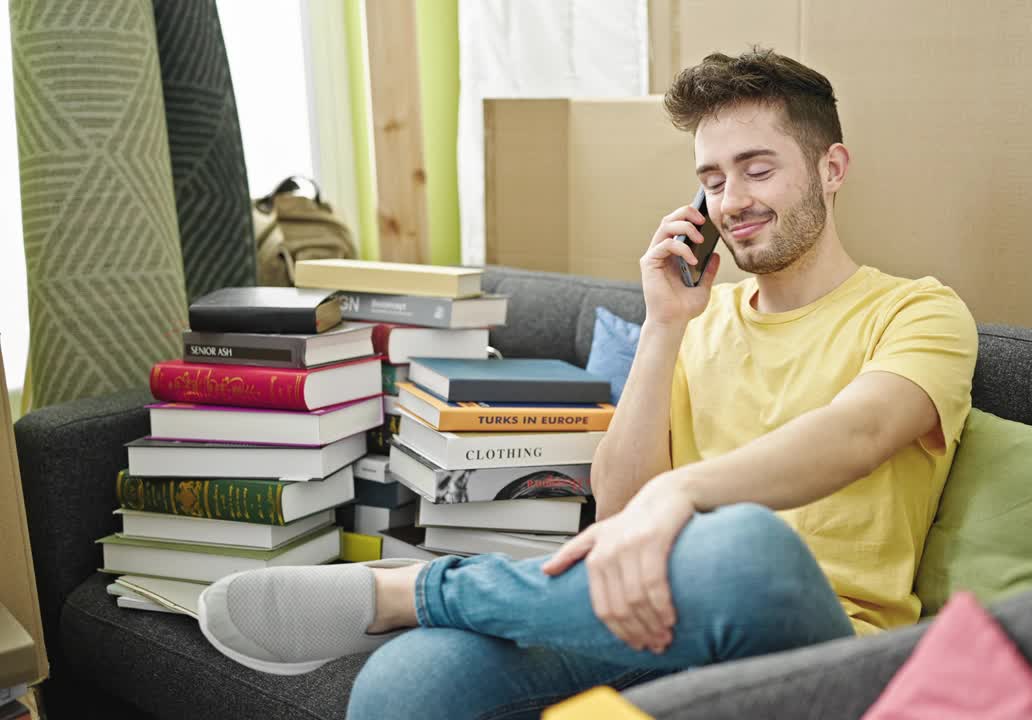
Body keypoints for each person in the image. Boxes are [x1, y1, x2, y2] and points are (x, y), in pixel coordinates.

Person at [195, 46, 978, 719]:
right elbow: (622, 509)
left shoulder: (921, 312)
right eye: (711, 178)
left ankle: (422, 590)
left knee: (744, 544)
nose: (731, 200)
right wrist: (664, 323)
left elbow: (859, 433)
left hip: (823, 650)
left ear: (830, 168)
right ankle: (425, 609)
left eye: (757, 168)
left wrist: (687, 492)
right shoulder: (695, 320)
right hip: (659, 622)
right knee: (408, 681)